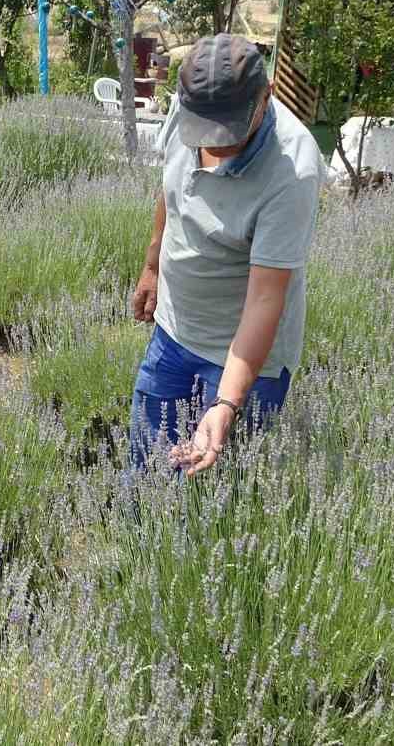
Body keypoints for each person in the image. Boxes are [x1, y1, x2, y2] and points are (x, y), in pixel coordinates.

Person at [128, 33, 323, 478]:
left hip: (241, 357)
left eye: (229, 129)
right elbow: (172, 189)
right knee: (146, 472)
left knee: (219, 490)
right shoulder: (192, 104)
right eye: (205, 129)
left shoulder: (292, 168)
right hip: (173, 334)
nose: (214, 143)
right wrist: (152, 266)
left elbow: (265, 299)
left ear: (265, 96)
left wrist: (226, 403)